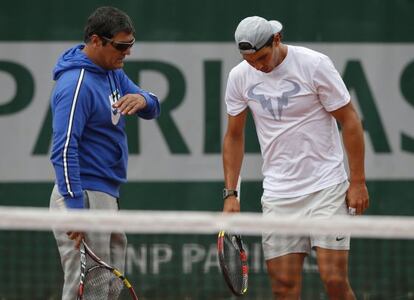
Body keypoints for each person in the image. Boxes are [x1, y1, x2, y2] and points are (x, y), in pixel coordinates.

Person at [222, 16, 369, 299]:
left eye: (262, 58)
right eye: (250, 61)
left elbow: (349, 120)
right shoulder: (240, 76)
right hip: (279, 196)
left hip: (326, 188)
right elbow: (234, 136)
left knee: (335, 280)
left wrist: (358, 181)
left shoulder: (314, 64)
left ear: (276, 39)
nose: (258, 66)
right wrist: (231, 194)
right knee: (284, 289)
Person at [48, 6, 160, 299]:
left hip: (106, 194)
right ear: (96, 41)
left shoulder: (113, 73)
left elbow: (152, 106)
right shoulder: (76, 85)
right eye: (121, 46)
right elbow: (63, 149)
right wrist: (75, 210)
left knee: (110, 288)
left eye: (130, 46)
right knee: (89, 290)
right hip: (82, 195)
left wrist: (143, 99)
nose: (127, 53)